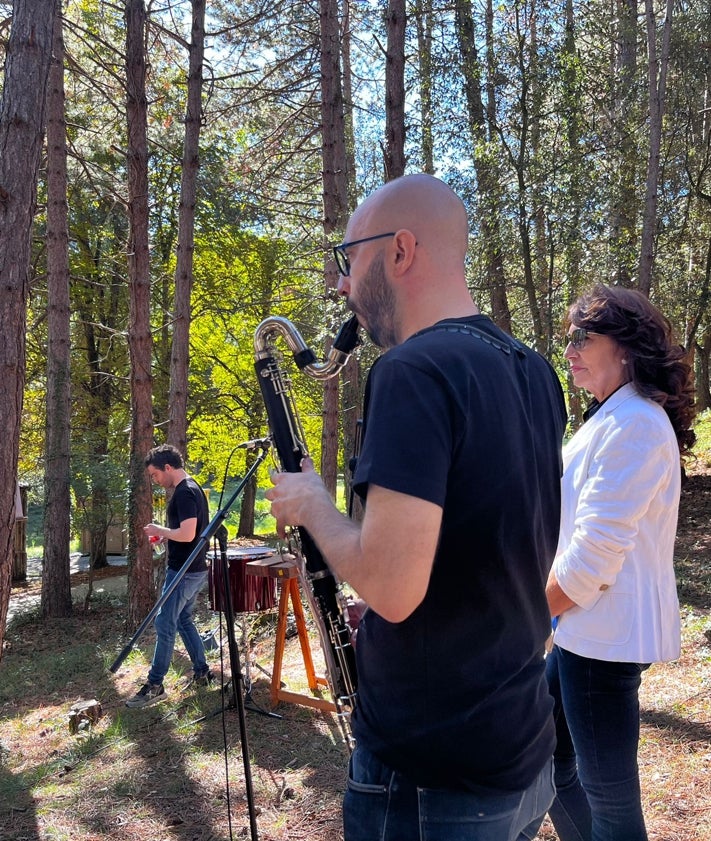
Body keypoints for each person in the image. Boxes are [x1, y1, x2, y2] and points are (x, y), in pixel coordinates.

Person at [266, 173, 568, 841]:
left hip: (432, 775)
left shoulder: (411, 371)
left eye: (348, 260)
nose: (340, 285)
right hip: (519, 747)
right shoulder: (532, 367)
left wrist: (314, 504)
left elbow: (393, 589)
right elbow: (491, 540)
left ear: (399, 250)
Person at [542, 284, 695, 841]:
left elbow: (593, 558)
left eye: (583, 336)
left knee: (609, 800)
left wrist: (532, 619)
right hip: (582, 631)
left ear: (626, 346)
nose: (570, 350)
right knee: (553, 763)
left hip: (600, 638)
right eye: (568, 338)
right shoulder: (612, 417)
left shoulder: (633, 423)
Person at [126, 444, 213, 708]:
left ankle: (155, 685)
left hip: (184, 572)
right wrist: (164, 536)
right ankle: (202, 672)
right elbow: (188, 535)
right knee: (184, 619)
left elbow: (188, 534)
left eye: (155, 475)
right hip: (193, 568)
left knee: (165, 623)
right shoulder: (192, 487)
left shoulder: (185, 492)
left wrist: (159, 528)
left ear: (167, 467)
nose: (155, 480)